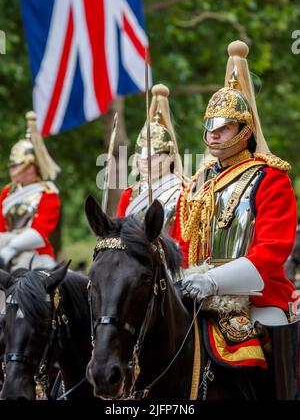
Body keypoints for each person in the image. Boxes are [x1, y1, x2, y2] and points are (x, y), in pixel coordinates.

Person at [173, 40, 299, 396]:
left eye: (224, 127)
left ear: (245, 130)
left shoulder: (270, 177)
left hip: (255, 292)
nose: (213, 133)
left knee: (271, 331)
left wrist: (213, 282)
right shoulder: (200, 180)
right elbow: (186, 239)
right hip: (193, 289)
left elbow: (272, 251)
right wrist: (183, 276)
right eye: (210, 125)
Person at [116, 84, 183, 235]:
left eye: (154, 156)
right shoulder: (130, 194)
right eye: (142, 156)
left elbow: (183, 246)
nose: (145, 161)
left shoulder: (183, 193)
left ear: (170, 157)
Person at [0, 111, 61, 272]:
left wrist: (12, 248)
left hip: (36, 253)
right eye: (12, 166)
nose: (12, 169)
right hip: (3, 247)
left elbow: (40, 232)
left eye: (16, 165)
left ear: (31, 167)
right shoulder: (7, 192)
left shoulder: (48, 193)